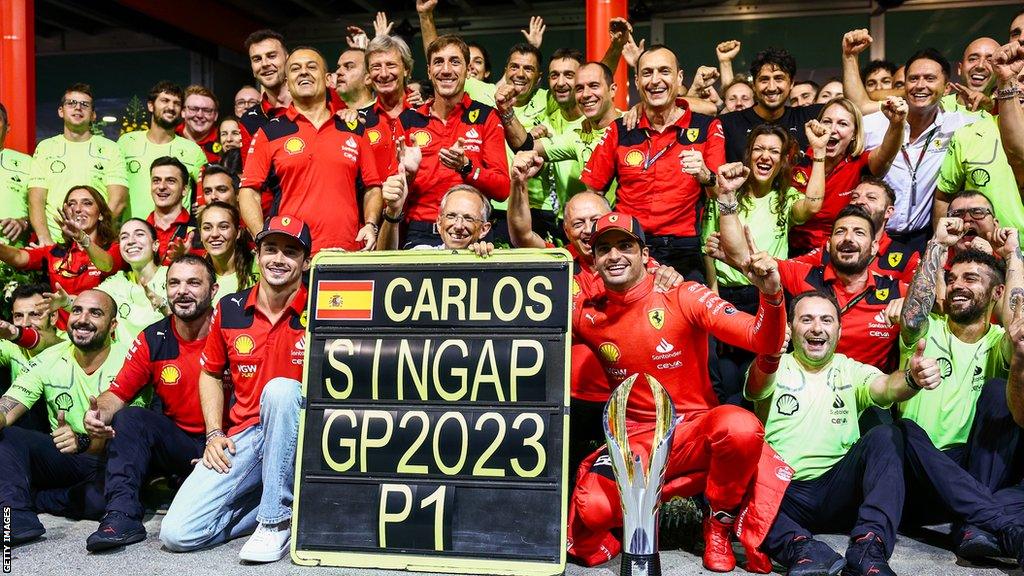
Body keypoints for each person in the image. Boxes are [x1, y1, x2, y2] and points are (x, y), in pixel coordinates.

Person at [567, 202, 789, 572]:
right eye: (604, 248)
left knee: (740, 428)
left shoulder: (683, 294)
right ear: (594, 258)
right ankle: (645, 514)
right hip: (634, 440)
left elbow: (761, 339)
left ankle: (717, 523)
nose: (614, 256)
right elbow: (529, 308)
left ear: (645, 255)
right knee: (592, 506)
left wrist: (771, 293)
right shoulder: (588, 313)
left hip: (691, 431)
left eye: (625, 246)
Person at [748, 290, 938, 576]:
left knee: (887, 435)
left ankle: (868, 547)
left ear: (839, 329)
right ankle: (802, 548)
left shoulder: (850, 369)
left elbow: (887, 387)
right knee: (730, 459)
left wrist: (912, 378)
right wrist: (770, 349)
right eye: (806, 319)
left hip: (839, 489)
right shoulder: (773, 365)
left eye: (826, 320)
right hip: (782, 493)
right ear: (790, 328)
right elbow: (756, 386)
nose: (816, 328)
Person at [159, 215, 310, 563]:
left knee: (281, 391)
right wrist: (213, 433)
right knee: (177, 534)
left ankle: (276, 521)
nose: (278, 259)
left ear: (306, 261)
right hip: (247, 435)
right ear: (257, 255)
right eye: (270, 249)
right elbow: (210, 373)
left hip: (300, 433)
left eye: (291, 252)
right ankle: (266, 504)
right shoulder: (229, 308)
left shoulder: (320, 307)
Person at [897, 220, 1022, 555]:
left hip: (974, 467)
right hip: (920, 467)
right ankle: (990, 523)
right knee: (904, 431)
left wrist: (1013, 257)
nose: (957, 286)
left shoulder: (999, 341)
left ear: (997, 292)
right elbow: (910, 318)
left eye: (970, 279)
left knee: (999, 391)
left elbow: (1017, 331)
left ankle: (974, 524)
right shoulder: (927, 331)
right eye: (952, 279)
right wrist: (937, 244)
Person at [82, 255, 219, 552]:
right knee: (129, 418)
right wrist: (98, 414)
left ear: (214, 290)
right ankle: (122, 516)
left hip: (227, 442)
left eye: (194, 283)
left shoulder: (230, 332)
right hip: (179, 443)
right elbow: (117, 394)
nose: (182, 291)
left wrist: (221, 442)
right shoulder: (153, 338)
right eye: (174, 283)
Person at [0, 289, 133, 545]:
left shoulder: (130, 357)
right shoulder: (48, 358)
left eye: (95, 313)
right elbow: (7, 409)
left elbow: (130, 429)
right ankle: (15, 517)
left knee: (99, 501)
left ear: (113, 325)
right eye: (77, 310)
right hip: (65, 457)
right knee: (7, 435)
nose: (82, 319)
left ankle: (36, 497)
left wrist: (83, 441)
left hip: (114, 458)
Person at [582, 44, 724, 281]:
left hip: (683, 250)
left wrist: (705, 175)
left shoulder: (706, 127)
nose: (655, 80)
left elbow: (720, 191)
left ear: (679, 78)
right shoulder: (620, 129)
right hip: (629, 246)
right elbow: (593, 190)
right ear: (636, 81)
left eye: (664, 71)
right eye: (647, 73)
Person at [720, 203, 905, 369]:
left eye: (859, 232)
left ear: (874, 247)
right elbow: (744, 258)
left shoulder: (895, 292)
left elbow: (934, 303)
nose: (848, 238)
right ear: (827, 244)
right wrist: (726, 198)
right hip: (805, 388)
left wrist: (912, 305)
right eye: (840, 232)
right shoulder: (804, 275)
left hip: (867, 394)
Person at [842, 32, 979, 252]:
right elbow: (854, 107)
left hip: (921, 239)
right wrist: (849, 57)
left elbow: (998, 119)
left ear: (946, 88)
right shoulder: (877, 122)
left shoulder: (960, 125)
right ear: (904, 85)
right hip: (872, 236)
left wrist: (990, 100)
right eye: (913, 79)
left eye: (930, 79)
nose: (920, 85)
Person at [239, 47, 382, 254]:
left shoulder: (355, 129)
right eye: (295, 69)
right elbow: (248, 191)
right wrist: (262, 236)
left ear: (327, 79)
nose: (303, 72)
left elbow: (372, 186)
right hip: (291, 256)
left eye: (311, 67)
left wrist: (370, 224)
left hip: (347, 253)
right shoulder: (269, 133)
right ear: (288, 84)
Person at [394, 35, 510, 248]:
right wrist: (408, 177)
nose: (446, 70)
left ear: (468, 70)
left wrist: (467, 167)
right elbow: (392, 197)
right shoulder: (409, 121)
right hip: (421, 234)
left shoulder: (486, 117)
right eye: (438, 62)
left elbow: (502, 189)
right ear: (429, 71)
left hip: (471, 234)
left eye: (455, 62)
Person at [704, 123, 827, 309]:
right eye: (759, 149)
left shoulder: (786, 198)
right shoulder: (726, 192)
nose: (765, 156)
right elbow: (707, 247)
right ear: (749, 155)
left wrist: (818, 152)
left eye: (774, 151)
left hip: (768, 291)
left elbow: (812, 205)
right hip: (727, 294)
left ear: (783, 159)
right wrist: (714, 293)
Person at [788, 96, 906, 255]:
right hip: (790, 250)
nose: (832, 129)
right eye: (827, 122)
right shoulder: (798, 159)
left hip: (836, 253)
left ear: (854, 135)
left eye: (842, 124)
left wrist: (897, 124)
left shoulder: (858, 163)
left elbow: (887, 154)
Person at [0, 186, 122, 327]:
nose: (78, 209)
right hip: (62, 338)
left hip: (99, 336)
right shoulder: (56, 252)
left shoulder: (114, 249)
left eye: (87, 203)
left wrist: (82, 238)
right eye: (72, 204)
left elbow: (106, 265)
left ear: (101, 214)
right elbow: (18, 257)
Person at [935, 41, 1024, 232]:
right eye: (1016, 80)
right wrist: (942, 248)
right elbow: (943, 196)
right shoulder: (968, 132)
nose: (1019, 87)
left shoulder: (988, 109)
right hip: (984, 251)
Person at [28, 84, 127, 244]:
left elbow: (118, 200)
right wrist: (44, 238)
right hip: (56, 243)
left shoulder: (111, 149)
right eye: (71, 103)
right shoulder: (45, 148)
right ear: (61, 111)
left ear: (93, 115)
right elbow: (36, 199)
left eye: (84, 105)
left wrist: (95, 237)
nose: (78, 108)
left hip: (97, 244)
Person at [789, 178, 921, 284]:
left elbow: (920, 302)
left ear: (888, 211)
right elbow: (788, 268)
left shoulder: (907, 258)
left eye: (871, 198)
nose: (859, 201)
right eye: (854, 197)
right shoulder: (832, 247)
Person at [118, 82, 207, 219]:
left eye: (176, 103)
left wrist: (204, 206)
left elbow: (209, 186)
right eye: (165, 101)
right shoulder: (126, 142)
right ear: (150, 105)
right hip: (132, 233)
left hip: (175, 235)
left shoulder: (192, 150)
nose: (171, 107)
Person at [718, 48, 824, 162]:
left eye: (779, 79)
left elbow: (845, 107)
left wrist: (847, 58)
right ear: (754, 85)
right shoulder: (728, 124)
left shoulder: (809, 117)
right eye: (764, 80)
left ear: (791, 82)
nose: (772, 87)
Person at [94, 219, 169, 346]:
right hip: (127, 363)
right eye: (124, 237)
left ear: (155, 245)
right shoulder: (117, 282)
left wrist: (163, 305)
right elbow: (88, 302)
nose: (130, 241)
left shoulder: (172, 277)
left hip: (166, 361)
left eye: (139, 234)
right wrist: (64, 302)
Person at [238, 30, 291, 160]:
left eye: (272, 56)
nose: (265, 64)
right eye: (257, 59)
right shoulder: (248, 121)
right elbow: (250, 176)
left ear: (288, 60)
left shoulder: (314, 104)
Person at [198, 201, 256, 303]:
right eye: (207, 228)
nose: (214, 234)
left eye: (223, 227)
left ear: (238, 232)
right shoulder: (196, 275)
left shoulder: (257, 268)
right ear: (200, 234)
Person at [146, 156, 197, 262]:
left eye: (170, 181)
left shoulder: (197, 232)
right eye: (156, 180)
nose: (161, 186)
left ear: (184, 190)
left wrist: (188, 258)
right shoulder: (137, 231)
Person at [942, 37, 1000, 117]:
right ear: (960, 69)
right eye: (973, 59)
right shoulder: (939, 107)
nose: (980, 66)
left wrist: (992, 107)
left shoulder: (1005, 111)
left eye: (990, 61)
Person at [0, 102, 30, 245]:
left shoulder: (27, 163)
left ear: (7, 128)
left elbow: (44, 209)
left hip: (14, 258)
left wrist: (23, 222)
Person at [178, 85, 221, 164]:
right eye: (193, 109)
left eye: (207, 110)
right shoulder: (170, 136)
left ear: (215, 116)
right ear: (183, 112)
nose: (200, 115)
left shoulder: (224, 140)